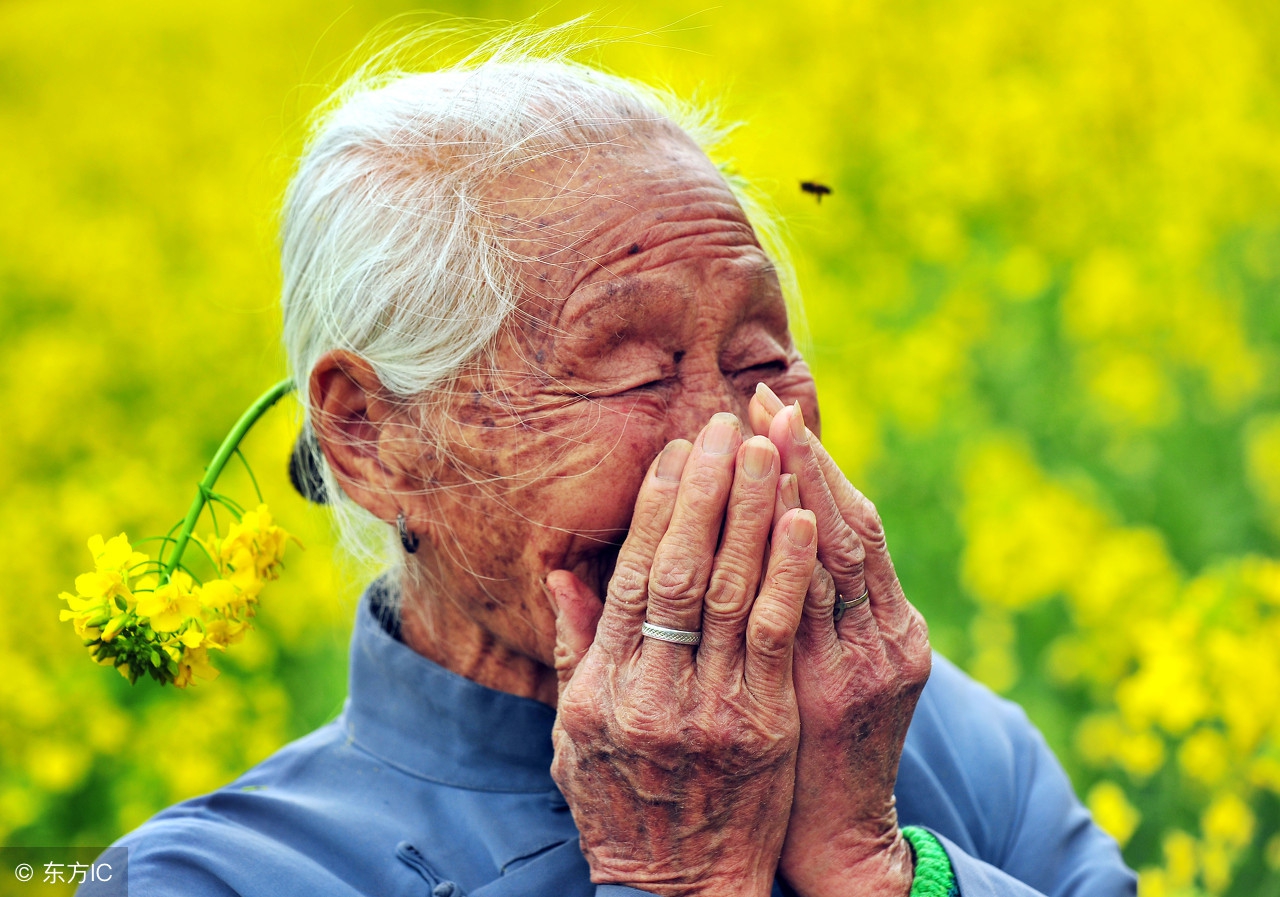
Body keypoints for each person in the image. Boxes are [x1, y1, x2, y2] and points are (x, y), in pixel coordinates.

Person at [83, 37, 1137, 897]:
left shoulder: (927, 737)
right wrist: (676, 881)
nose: (730, 440)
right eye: (634, 374)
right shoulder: (214, 878)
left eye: (761, 360)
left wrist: (877, 868)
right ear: (371, 438)